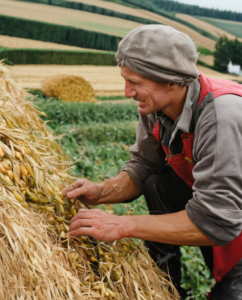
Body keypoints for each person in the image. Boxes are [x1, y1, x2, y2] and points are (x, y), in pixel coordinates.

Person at [62, 25, 242, 299]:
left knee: (231, 291)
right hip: (220, 207)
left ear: (172, 80)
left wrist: (123, 225)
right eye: (126, 80)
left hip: (228, 213)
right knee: (157, 182)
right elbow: (144, 166)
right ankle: (166, 289)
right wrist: (101, 192)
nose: (127, 92)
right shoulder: (158, 105)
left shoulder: (221, 116)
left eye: (136, 82)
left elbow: (218, 220)